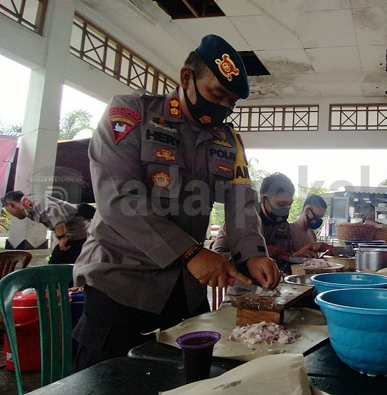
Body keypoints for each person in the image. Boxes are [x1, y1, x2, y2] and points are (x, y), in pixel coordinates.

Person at [72, 34, 280, 370]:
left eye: (232, 103)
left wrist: (253, 254)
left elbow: (241, 201)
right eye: (217, 95)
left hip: (183, 289)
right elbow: (118, 199)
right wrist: (191, 252)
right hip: (121, 285)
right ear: (187, 79)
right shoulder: (131, 115)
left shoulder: (229, 141)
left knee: (201, 379)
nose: (224, 108)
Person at [2, 191, 92, 264]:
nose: (11, 214)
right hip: (73, 233)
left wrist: (62, 237)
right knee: (62, 263)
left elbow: (54, 210)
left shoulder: (30, 200)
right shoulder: (28, 209)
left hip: (76, 230)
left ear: (11, 204)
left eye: (9, 211)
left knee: (57, 265)